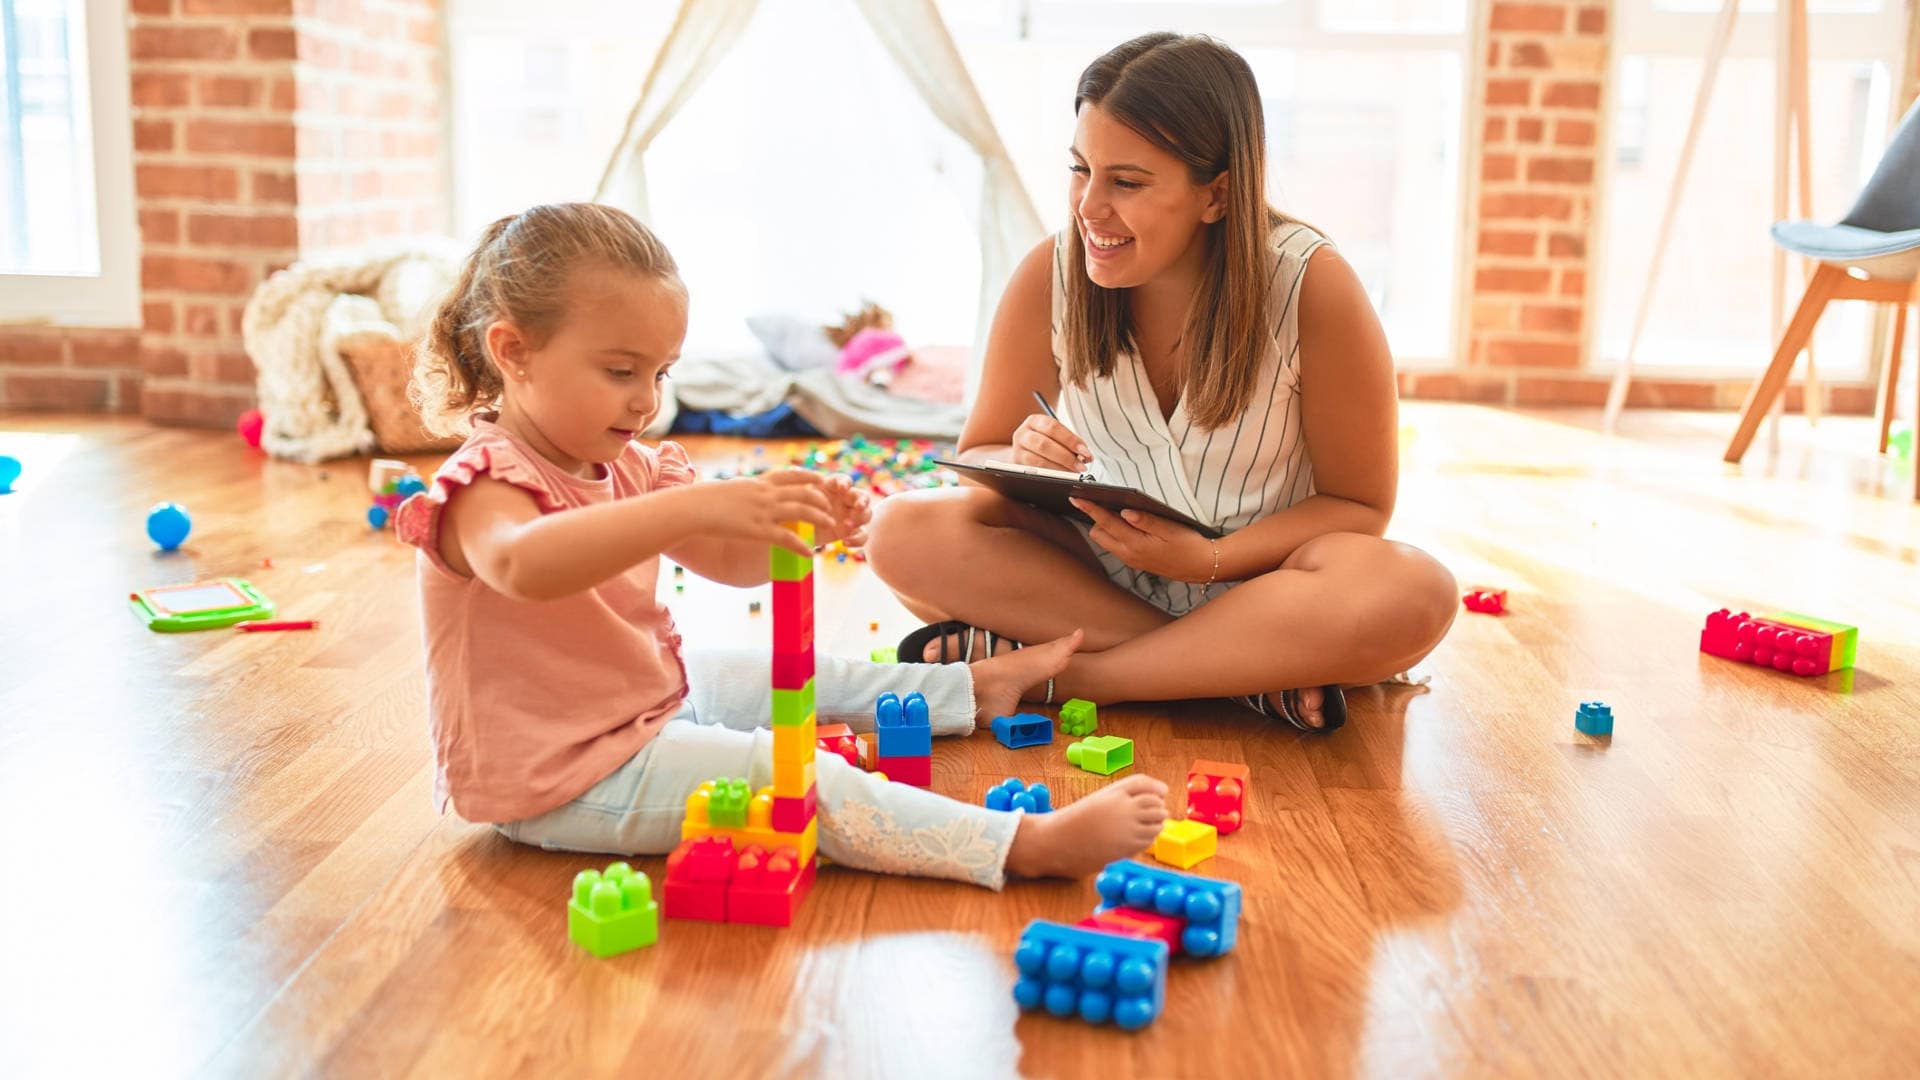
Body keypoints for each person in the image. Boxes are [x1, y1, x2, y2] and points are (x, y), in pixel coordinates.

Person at [397, 202, 1167, 889]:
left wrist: (797, 534)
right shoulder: (481, 485)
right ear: (514, 351)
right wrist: (699, 502)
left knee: (763, 673)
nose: (646, 399)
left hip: (636, 713)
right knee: (796, 775)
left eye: (661, 372)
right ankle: (1018, 846)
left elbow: (727, 564)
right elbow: (522, 564)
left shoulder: (625, 465)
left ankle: (972, 691)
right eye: (620, 371)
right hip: (559, 779)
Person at [867, 34, 1457, 734]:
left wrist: (1211, 560)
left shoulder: (1312, 286)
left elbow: (1359, 505)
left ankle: (1077, 676)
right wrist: (1020, 454)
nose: (1089, 207)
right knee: (902, 531)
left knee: (1415, 590)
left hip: (1276, 593)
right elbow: (983, 458)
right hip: (1097, 580)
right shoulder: (1049, 274)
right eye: (1081, 170)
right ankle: (1240, 678)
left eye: (1127, 182)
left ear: (1217, 193)